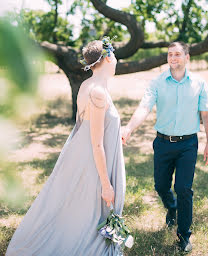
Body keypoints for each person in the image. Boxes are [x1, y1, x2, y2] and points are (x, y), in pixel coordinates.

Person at [6, 38, 126, 256]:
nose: (116, 60)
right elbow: (97, 142)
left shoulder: (88, 85)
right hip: (92, 161)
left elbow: (90, 128)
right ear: (108, 58)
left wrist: (115, 134)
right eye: (114, 56)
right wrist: (106, 184)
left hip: (85, 154)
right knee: (87, 210)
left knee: (78, 209)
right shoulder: (97, 91)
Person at [122, 41, 208, 253]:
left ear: (187, 58)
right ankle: (172, 207)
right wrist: (129, 128)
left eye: (177, 54)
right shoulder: (158, 83)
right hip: (163, 143)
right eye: (170, 54)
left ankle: (184, 236)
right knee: (161, 186)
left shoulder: (199, 83)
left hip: (188, 143)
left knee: (184, 189)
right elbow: (144, 107)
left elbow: (205, 114)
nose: (173, 58)